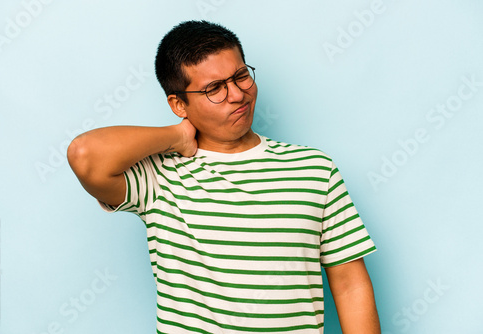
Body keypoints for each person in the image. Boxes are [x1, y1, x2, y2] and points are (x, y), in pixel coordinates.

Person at [67, 20, 380, 333]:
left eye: (241, 76)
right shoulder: (159, 177)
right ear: (179, 104)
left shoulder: (315, 169)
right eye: (214, 88)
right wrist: (176, 136)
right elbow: (85, 155)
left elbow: (350, 284)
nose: (237, 95)